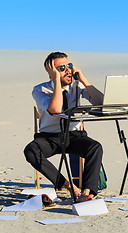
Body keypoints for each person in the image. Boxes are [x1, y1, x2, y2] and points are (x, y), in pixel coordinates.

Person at [24, 52, 104, 202]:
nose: (68, 70)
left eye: (70, 66)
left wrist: (84, 80)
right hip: (50, 137)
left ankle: (87, 192)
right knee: (31, 151)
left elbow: (101, 103)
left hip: (73, 136)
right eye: (62, 68)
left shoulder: (76, 85)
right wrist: (57, 83)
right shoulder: (40, 90)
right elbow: (55, 110)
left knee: (95, 147)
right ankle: (69, 187)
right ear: (51, 73)